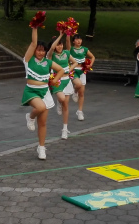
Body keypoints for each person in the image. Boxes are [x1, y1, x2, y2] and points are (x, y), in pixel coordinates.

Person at [22, 26, 66, 160]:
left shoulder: (48, 62)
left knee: (42, 123)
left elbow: (61, 70)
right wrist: (35, 27)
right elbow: (33, 42)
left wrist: (55, 80)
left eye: (43, 51)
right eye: (38, 50)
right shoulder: (28, 60)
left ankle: (41, 148)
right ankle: (30, 117)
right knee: (40, 107)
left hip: (45, 92)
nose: (41, 53)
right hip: (31, 91)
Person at [47, 31, 79, 140]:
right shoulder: (51, 55)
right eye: (57, 45)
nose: (59, 46)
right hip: (57, 80)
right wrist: (61, 35)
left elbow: (75, 62)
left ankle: (65, 129)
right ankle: (59, 102)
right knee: (61, 98)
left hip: (67, 80)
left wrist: (69, 70)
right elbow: (51, 48)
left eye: (60, 44)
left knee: (66, 105)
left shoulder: (66, 53)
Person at [65, 33, 95, 121]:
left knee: (81, 93)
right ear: (73, 41)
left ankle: (80, 111)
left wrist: (90, 64)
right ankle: (75, 92)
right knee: (78, 84)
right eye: (77, 39)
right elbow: (67, 41)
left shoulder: (84, 49)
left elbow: (92, 57)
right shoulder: (70, 49)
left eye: (80, 39)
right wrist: (68, 33)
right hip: (74, 71)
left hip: (82, 71)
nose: (79, 41)